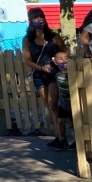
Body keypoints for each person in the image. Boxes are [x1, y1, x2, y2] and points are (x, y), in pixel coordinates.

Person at [21, 7, 66, 136]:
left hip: (54, 74)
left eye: (41, 17)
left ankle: (62, 136)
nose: (39, 19)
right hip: (39, 75)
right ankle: (58, 135)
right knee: (50, 106)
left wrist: (59, 61)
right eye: (35, 17)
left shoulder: (53, 36)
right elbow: (28, 61)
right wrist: (41, 68)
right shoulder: (27, 39)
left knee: (53, 104)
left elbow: (64, 51)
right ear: (30, 21)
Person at [48, 48, 75, 152]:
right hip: (62, 103)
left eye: (66, 58)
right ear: (55, 62)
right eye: (60, 59)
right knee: (60, 122)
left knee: (73, 123)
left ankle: (77, 141)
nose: (64, 61)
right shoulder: (55, 73)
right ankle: (62, 139)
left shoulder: (73, 72)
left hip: (73, 103)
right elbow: (48, 69)